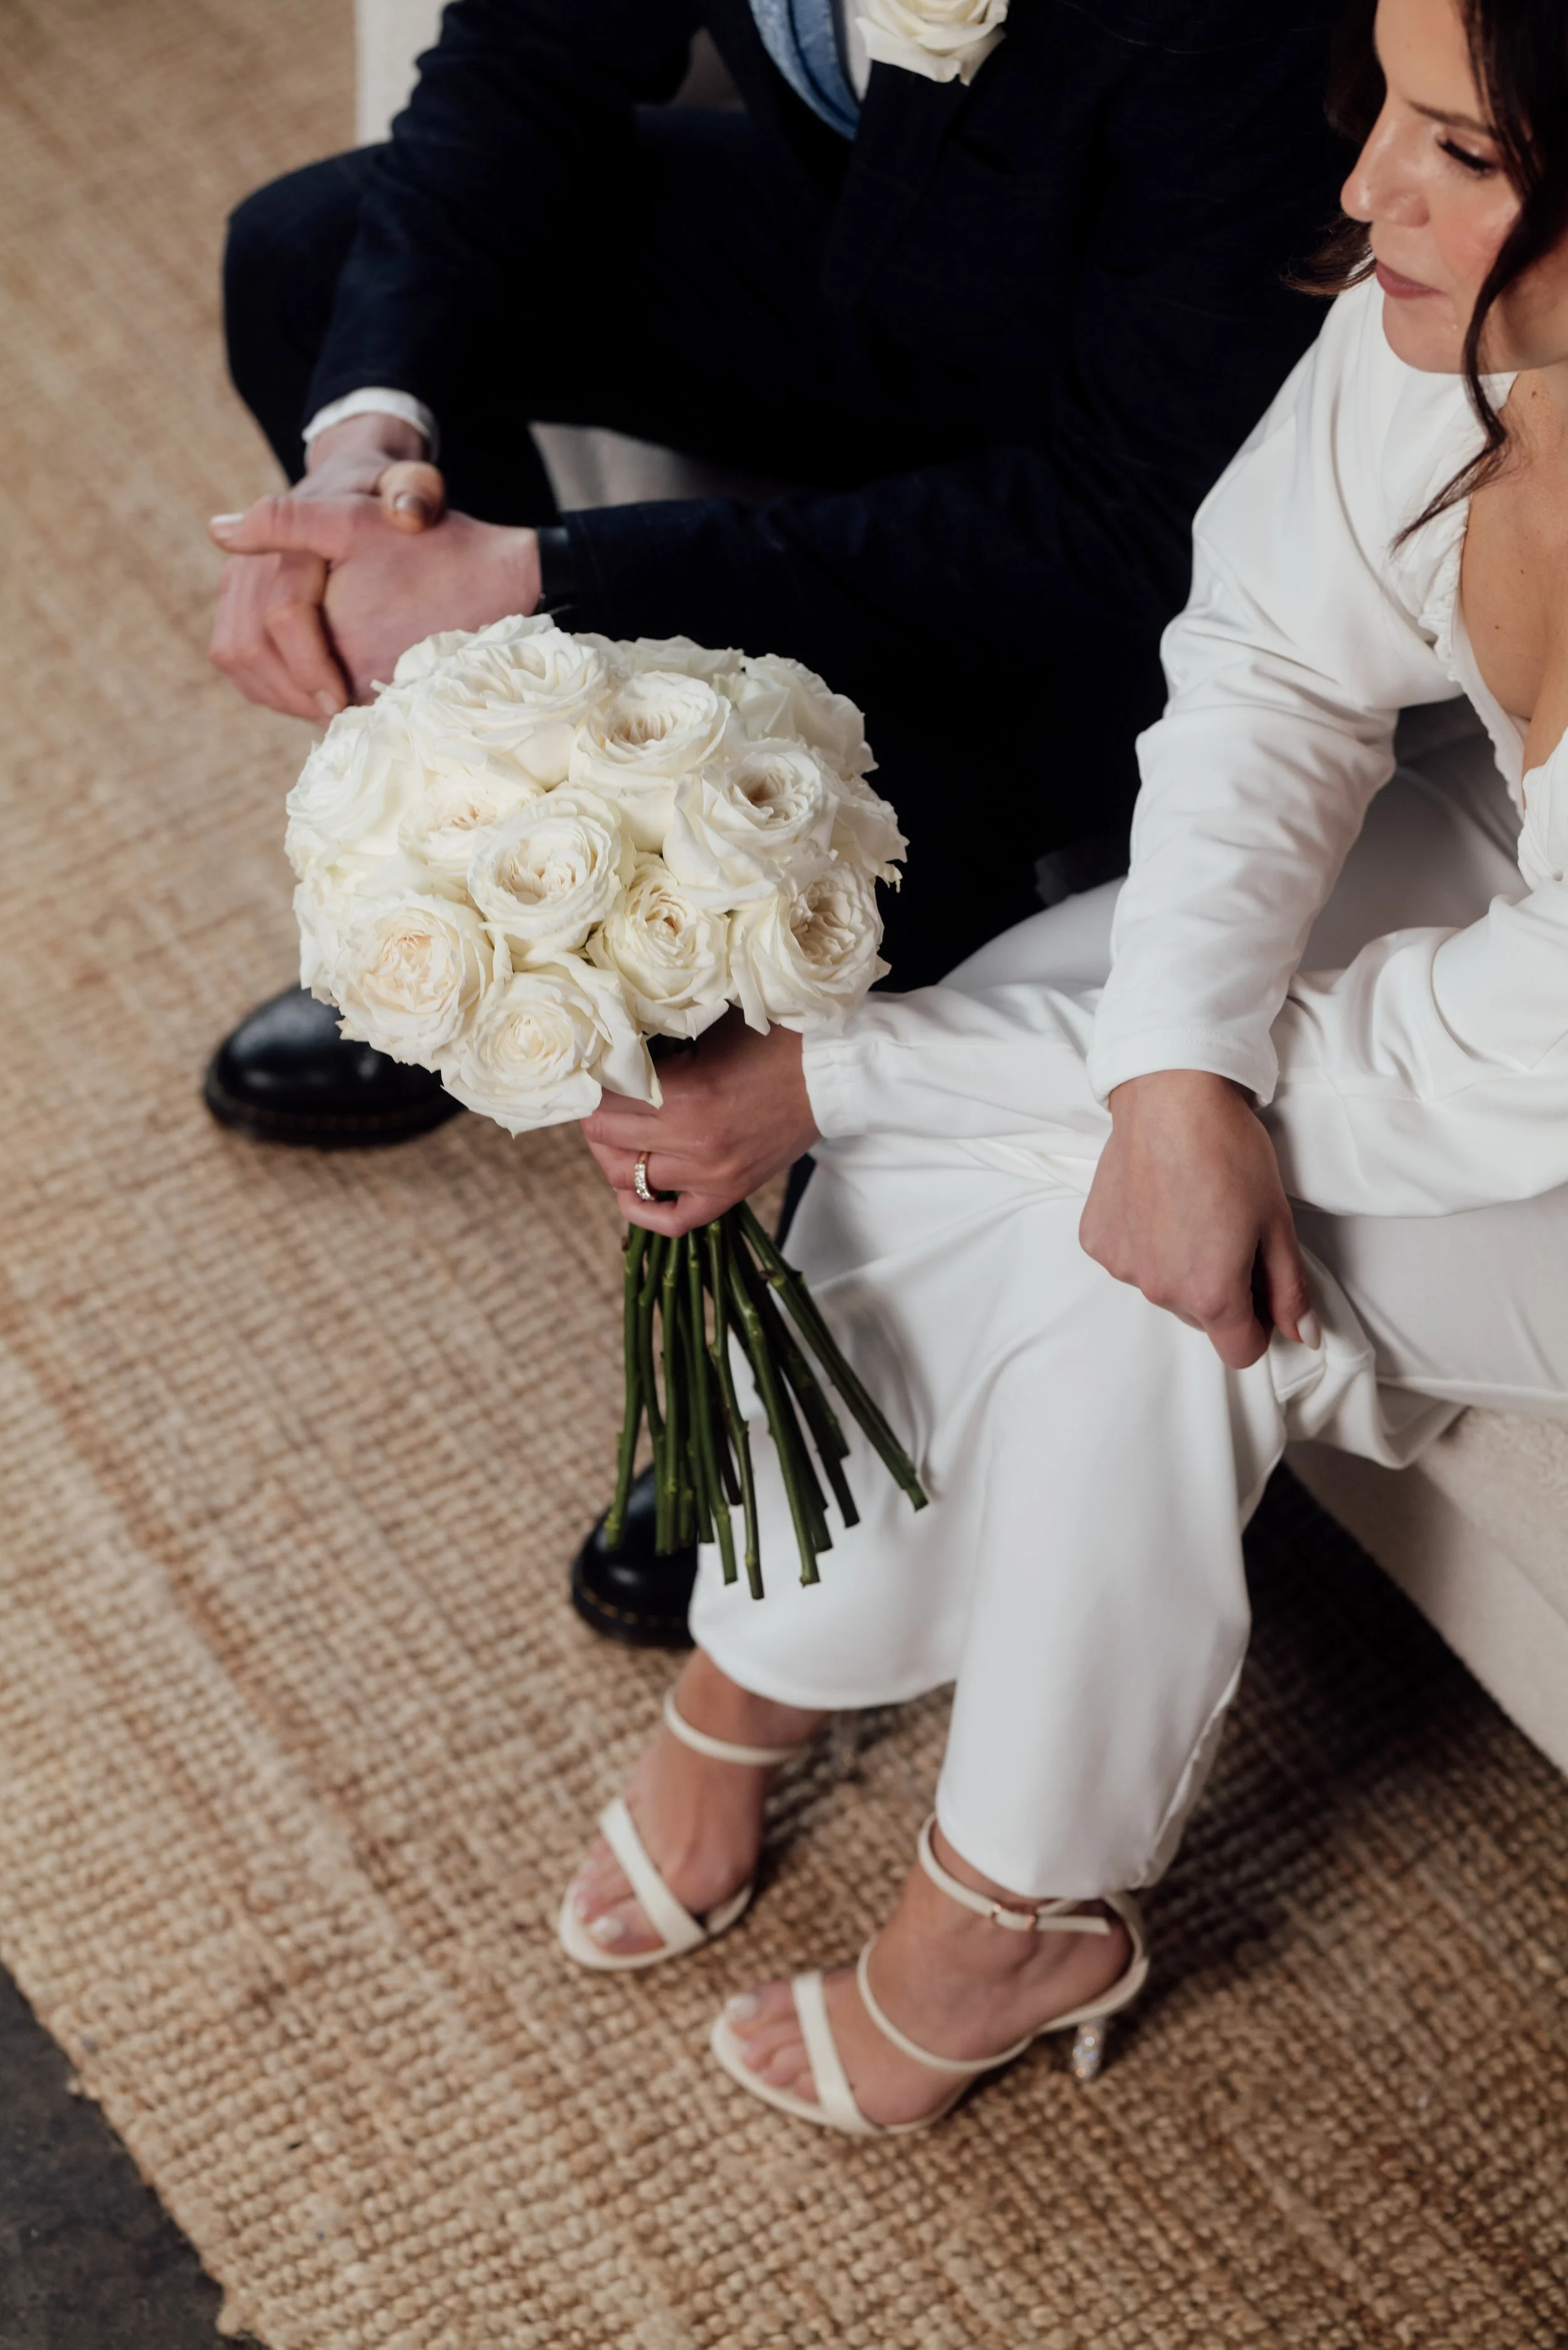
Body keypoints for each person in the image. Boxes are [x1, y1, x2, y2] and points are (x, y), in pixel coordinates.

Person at [550, 0, 1568, 2135]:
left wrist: (843, 1084)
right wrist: (1159, 1064)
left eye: (1455, 152)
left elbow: (1468, 1078)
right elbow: (1273, 656)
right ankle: (777, 1650)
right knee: (1091, 1030)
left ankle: (1010, 1910)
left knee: (1173, 1274)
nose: (1364, 185)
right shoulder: (1447, 334)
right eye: (1376, 107)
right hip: (1513, 903)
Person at [202, 0, 1346, 1640]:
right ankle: (484, 923)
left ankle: (802, 1351)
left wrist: (543, 576)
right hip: (875, 235)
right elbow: (532, 45)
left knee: (878, 745)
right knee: (309, 259)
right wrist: (365, 462)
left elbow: (1129, 524)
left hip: (1137, 482)